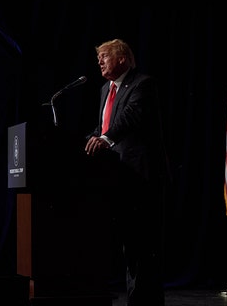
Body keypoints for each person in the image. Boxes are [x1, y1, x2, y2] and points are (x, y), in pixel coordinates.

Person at [84, 38, 167, 306]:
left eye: (105, 56)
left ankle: (144, 301)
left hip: (141, 177)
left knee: (143, 245)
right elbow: (104, 127)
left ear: (122, 58)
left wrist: (104, 138)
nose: (99, 61)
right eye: (98, 58)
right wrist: (90, 139)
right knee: (128, 246)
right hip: (116, 178)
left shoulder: (143, 84)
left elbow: (130, 117)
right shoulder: (104, 90)